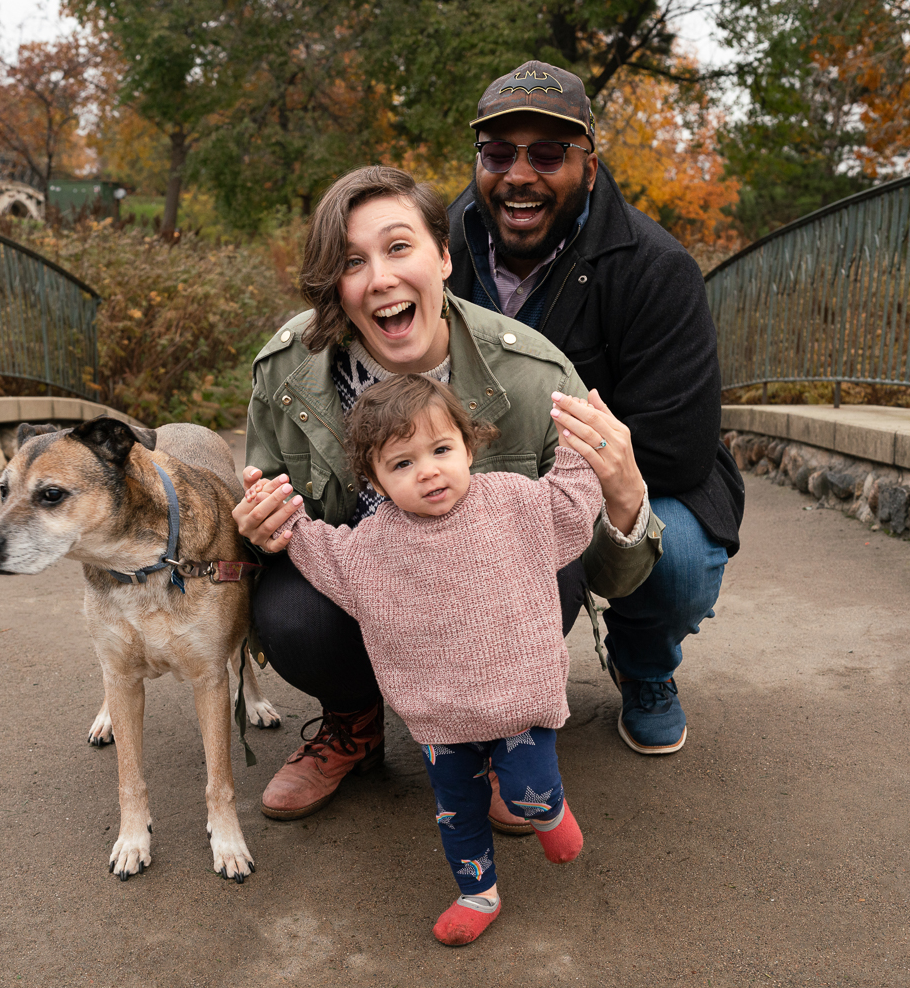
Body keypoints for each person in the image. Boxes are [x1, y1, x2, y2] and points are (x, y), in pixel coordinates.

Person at [233, 165, 663, 826]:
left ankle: (501, 733)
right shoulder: (287, 370)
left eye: (399, 247)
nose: (379, 278)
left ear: (443, 256)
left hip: (488, 602)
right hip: (366, 581)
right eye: (352, 261)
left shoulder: (532, 375)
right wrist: (256, 530)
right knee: (287, 605)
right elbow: (271, 512)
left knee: (557, 569)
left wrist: (628, 497)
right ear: (336, 286)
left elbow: (607, 574)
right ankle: (355, 721)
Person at [447, 60, 746, 755]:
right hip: (472, 473)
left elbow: (677, 446)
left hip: (622, 480)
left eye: (548, 153)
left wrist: (547, 489)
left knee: (677, 559)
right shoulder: (436, 247)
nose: (519, 174)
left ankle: (644, 664)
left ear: (588, 164)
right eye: (498, 153)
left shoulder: (655, 266)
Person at [246, 373, 600, 945]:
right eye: (402, 463)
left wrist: (581, 446)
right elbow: (321, 549)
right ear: (375, 480)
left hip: (520, 700)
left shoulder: (514, 501)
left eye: (441, 450)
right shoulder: (372, 544)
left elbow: (571, 504)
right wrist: (282, 517)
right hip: (439, 719)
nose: (429, 470)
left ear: (467, 443)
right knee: (456, 813)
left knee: (530, 786)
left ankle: (549, 811)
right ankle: (477, 894)